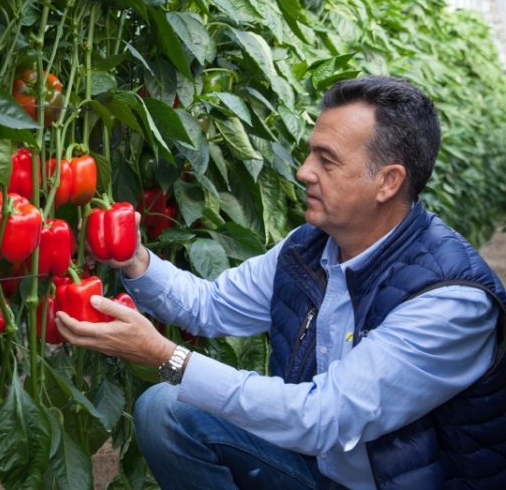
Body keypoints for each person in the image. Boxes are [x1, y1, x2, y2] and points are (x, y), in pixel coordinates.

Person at [55, 76, 506, 489]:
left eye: (326, 161)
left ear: (387, 182)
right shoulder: (309, 248)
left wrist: (165, 356)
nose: (303, 171)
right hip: (317, 467)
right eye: (311, 152)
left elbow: (322, 416)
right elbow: (209, 306)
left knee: (180, 392)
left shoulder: (450, 300)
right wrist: (135, 259)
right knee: (165, 410)